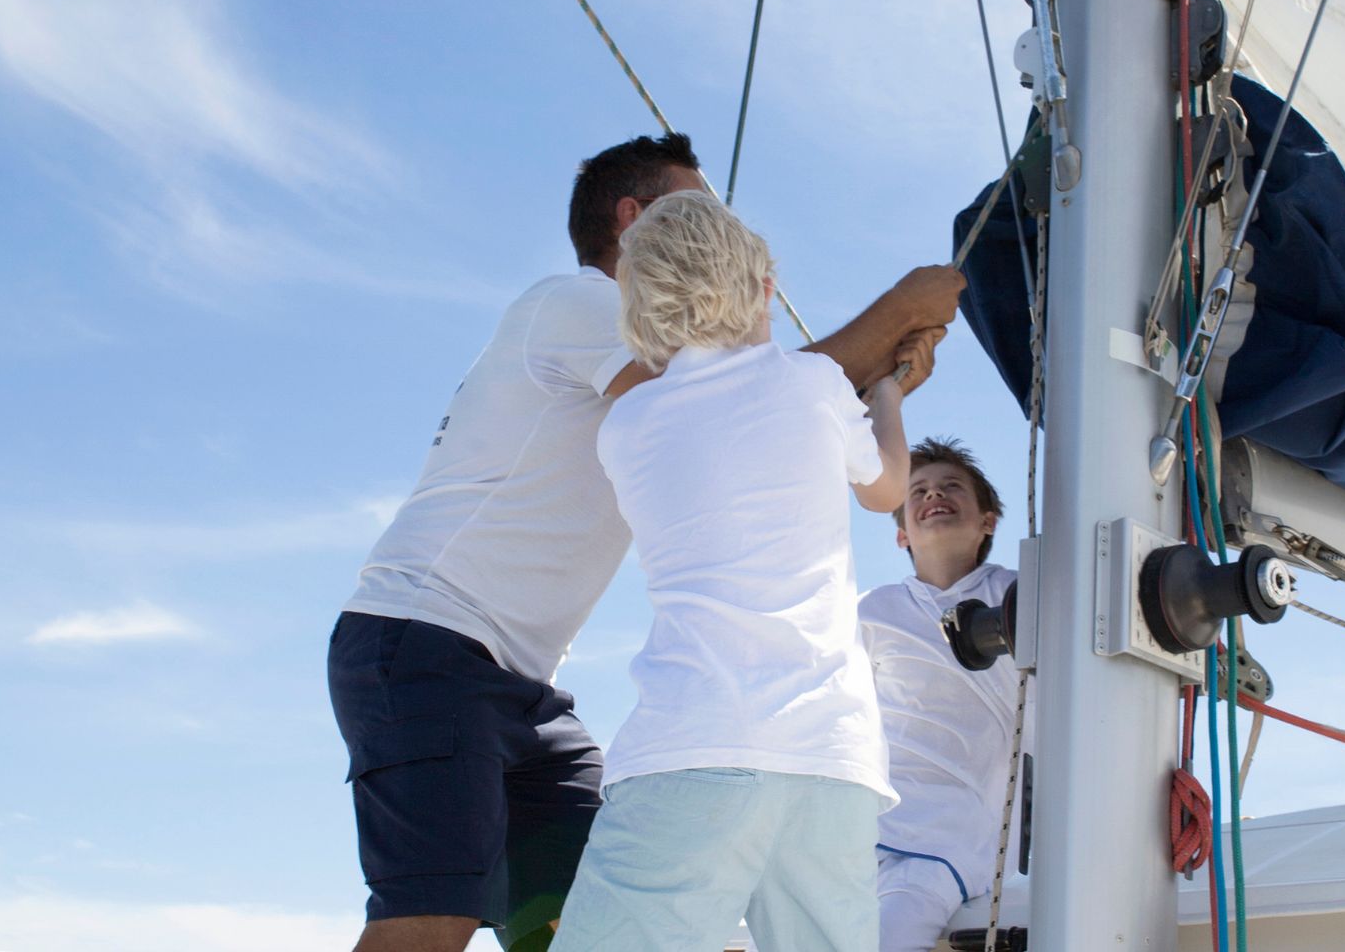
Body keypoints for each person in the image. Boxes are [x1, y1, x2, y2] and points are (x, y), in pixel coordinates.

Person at [327, 133, 962, 952]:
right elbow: (739, 405)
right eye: (699, 208)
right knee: (430, 915)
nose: (716, 225)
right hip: (424, 639)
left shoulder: (646, 410)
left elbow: (733, 404)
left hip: (523, 684)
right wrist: (901, 319)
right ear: (635, 223)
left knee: (573, 914)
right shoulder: (576, 301)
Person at [550, 190, 910, 952]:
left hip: (693, 745)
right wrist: (884, 395)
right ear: (766, 289)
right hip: (832, 762)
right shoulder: (816, 386)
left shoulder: (627, 427)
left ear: (638, 309)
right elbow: (886, 491)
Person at [860, 438, 1018, 952]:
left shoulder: (1024, 594)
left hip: (955, 834)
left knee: (893, 936)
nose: (935, 495)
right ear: (902, 534)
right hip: (867, 823)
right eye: (919, 491)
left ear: (987, 522)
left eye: (953, 487)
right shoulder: (872, 611)